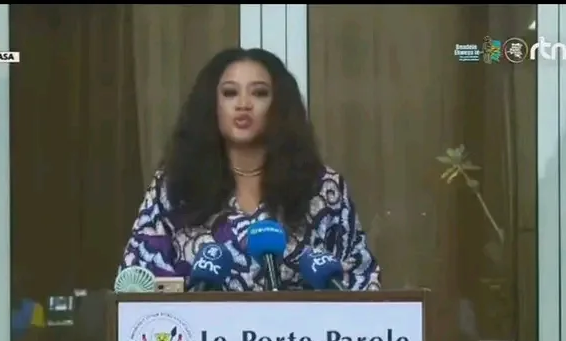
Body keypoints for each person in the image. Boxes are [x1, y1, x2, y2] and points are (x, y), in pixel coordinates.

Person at [120, 47, 380, 291]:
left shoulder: (322, 188)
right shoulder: (175, 186)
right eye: (230, 93)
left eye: (259, 93)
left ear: (279, 106)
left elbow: (361, 281)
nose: (243, 104)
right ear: (211, 105)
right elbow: (137, 282)